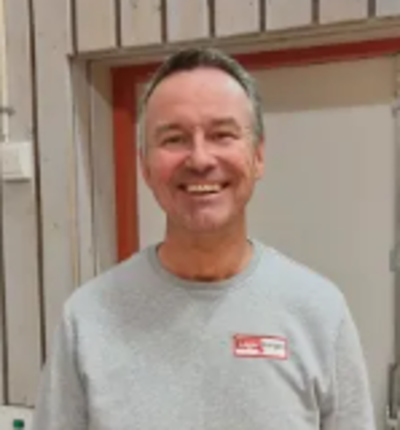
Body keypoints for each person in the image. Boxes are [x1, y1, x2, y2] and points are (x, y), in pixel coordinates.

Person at [32, 47, 375, 430]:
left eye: (222, 135)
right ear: (145, 165)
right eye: (174, 138)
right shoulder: (86, 320)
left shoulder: (319, 313)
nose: (199, 159)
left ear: (258, 156)